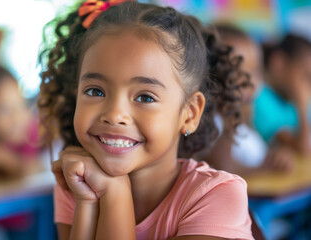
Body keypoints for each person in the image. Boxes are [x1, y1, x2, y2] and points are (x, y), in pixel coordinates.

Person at [39, 1, 253, 239]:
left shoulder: (214, 196)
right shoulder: (77, 181)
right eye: (95, 91)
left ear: (189, 113)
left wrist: (115, 193)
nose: (114, 115)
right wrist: (88, 201)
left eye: (144, 96)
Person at [199, 24, 296, 175]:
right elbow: (224, 169)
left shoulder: (243, 118)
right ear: (208, 73)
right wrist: (266, 167)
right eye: (235, 72)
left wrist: (275, 157)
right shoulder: (215, 122)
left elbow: (254, 155)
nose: (248, 81)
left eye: (255, 70)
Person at [256, 34, 311, 156]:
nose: (309, 86)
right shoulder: (259, 99)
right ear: (278, 63)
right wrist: (301, 105)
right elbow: (304, 148)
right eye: (306, 77)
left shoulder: (292, 101)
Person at [0, 63, 41, 162]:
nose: (17, 117)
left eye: (22, 105)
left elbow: (27, 167)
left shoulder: (37, 132)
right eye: (4, 110)